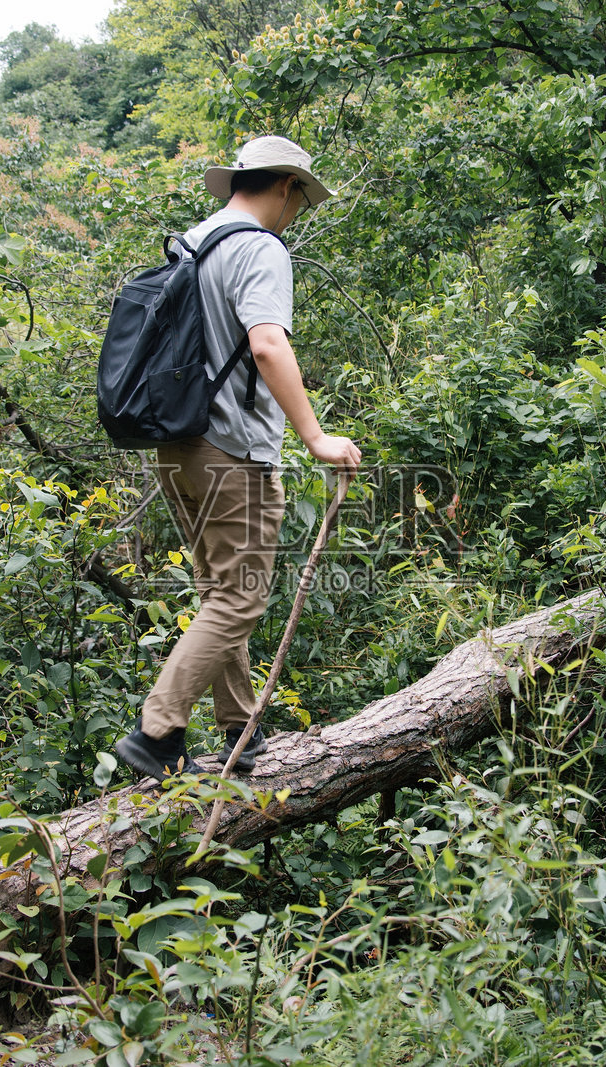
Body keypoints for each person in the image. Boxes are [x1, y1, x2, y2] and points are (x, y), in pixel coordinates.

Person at [113, 135, 362, 782]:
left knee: (221, 591)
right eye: (301, 198)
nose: (298, 211)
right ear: (285, 186)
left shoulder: (195, 241)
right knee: (241, 601)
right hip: (232, 454)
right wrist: (316, 438)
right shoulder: (258, 247)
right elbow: (269, 346)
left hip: (179, 446)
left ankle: (239, 731)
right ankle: (157, 730)